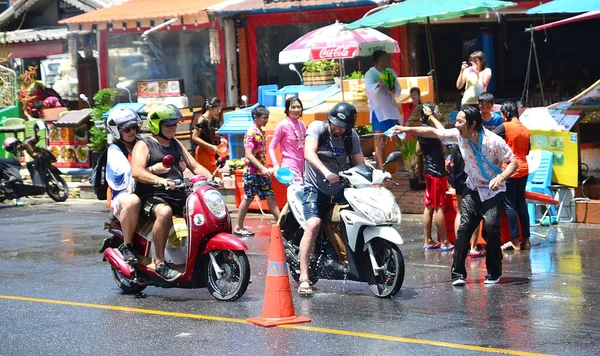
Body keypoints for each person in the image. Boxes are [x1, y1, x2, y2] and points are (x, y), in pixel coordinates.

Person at [390, 106, 518, 286]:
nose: (456, 125)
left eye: (460, 122)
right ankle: (457, 274)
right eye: (456, 121)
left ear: (473, 124)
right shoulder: (460, 136)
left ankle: (494, 271)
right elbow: (434, 132)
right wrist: (406, 129)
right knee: (464, 229)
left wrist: (501, 177)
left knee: (490, 229)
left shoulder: (494, 141)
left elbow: (513, 162)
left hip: (493, 192)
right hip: (472, 191)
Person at [131, 105, 212, 281]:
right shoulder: (144, 144)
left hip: (178, 194)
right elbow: (136, 171)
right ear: (156, 125)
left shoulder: (176, 143)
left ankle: (202, 257)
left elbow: (195, 165)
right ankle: (160, 263)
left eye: (174, 124)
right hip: (152, 197)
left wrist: (212, 177)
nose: (172, 128)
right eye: (168, 124)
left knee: (205, 210)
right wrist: (159, 180)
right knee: (164, 212)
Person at [298, 102, 365, 296]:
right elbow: (309, 153)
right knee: (313, 224)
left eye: (343, 127)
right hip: (315, 187)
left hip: (341, 188)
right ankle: (304, 276)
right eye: (336, 125)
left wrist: (377, 176)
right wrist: (326, 172)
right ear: (330, 120)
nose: (339, 129)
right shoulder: (317, 128)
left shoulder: (351, 137)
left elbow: (360, 161)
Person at [234, 105, 280, 237]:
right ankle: (238, 227)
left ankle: (281, 225)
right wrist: (262, 168)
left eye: (267, 117)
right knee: (248, 198)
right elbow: (248, 154)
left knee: (271, 197)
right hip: (252, 173)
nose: (266, 120)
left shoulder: (260, 131)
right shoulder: (251, 132)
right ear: (256, 118)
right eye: (264, 118)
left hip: (262, 173)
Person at [105, 108, 143, 263]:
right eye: (127, 129)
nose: (132, 131)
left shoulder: (142, 143)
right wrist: (152, 170)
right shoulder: (114, 150)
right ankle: (127, 245)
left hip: (146, 188)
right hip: (121, 194)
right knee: (132, 201)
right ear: (116, 131)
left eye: (134, 127)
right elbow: (128, 173)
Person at [493, 101, 531, 251]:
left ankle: (514, 240)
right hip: (524, 169)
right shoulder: (526, 130)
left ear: (506, 113)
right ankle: (526, 241)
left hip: (509, 169)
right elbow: (527, 150)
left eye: (502, 114)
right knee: (521, 205)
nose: (502, 118)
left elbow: (490, 138)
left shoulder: (506, 126)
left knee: (510, 206)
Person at [417, 103, 453, 252]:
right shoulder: (432, 129)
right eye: (437, 111)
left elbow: (418, 151)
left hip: (428, 170)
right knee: (438, 206)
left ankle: (428, 241)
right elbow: (444, 132)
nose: (439, 113)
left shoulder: (422, 129)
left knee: (429, 205)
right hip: (436, 172)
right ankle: (444, 241)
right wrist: (431, 116)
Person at [365, 50, 403, 169]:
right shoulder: (370, 74)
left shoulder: (391, 72)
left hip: (391, 109)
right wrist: (378, 84)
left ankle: (402, 166)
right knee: (380, 139)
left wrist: (392, 89)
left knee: (397, 137)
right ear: (379, 60)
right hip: (378, 111)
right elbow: (369, 89)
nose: (389, 61)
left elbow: (398, 88)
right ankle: (381, 166)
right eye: (386, 58)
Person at [268, 97, 306, 181]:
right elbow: (271, 146)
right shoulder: (282, 125)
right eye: (293, 107)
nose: (296, 110)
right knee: (296, 191)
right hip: (289, 165)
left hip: (302, 166)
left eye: (298, 107)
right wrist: (275, 164)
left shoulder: (302, 124)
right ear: (287, 109)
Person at [192, 97, 227, 176]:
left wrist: (221, 139)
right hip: (203, 151)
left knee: (214, 173)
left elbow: (212, 134)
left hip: (211, 151)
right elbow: (194, 137)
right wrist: (210, 146)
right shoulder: (201, 120)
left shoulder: (213, 120)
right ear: (210, 108)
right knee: (209, 175)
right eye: (217, 109)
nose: (219, 112)